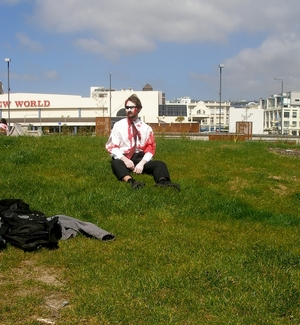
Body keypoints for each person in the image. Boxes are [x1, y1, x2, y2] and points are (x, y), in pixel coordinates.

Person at [106, 94, 180, 191]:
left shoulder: (146, 128)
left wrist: (142, 163)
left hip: (139, 157)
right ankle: (131, 181)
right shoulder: (118, 125)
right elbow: (112, 147)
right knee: (116, 163)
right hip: (124, 157)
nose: (129, 110)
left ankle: (163, 182)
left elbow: (150, 149)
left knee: (160, 164)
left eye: (132, 107)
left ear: (139, 109)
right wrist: (125, 160)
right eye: (127, 107)